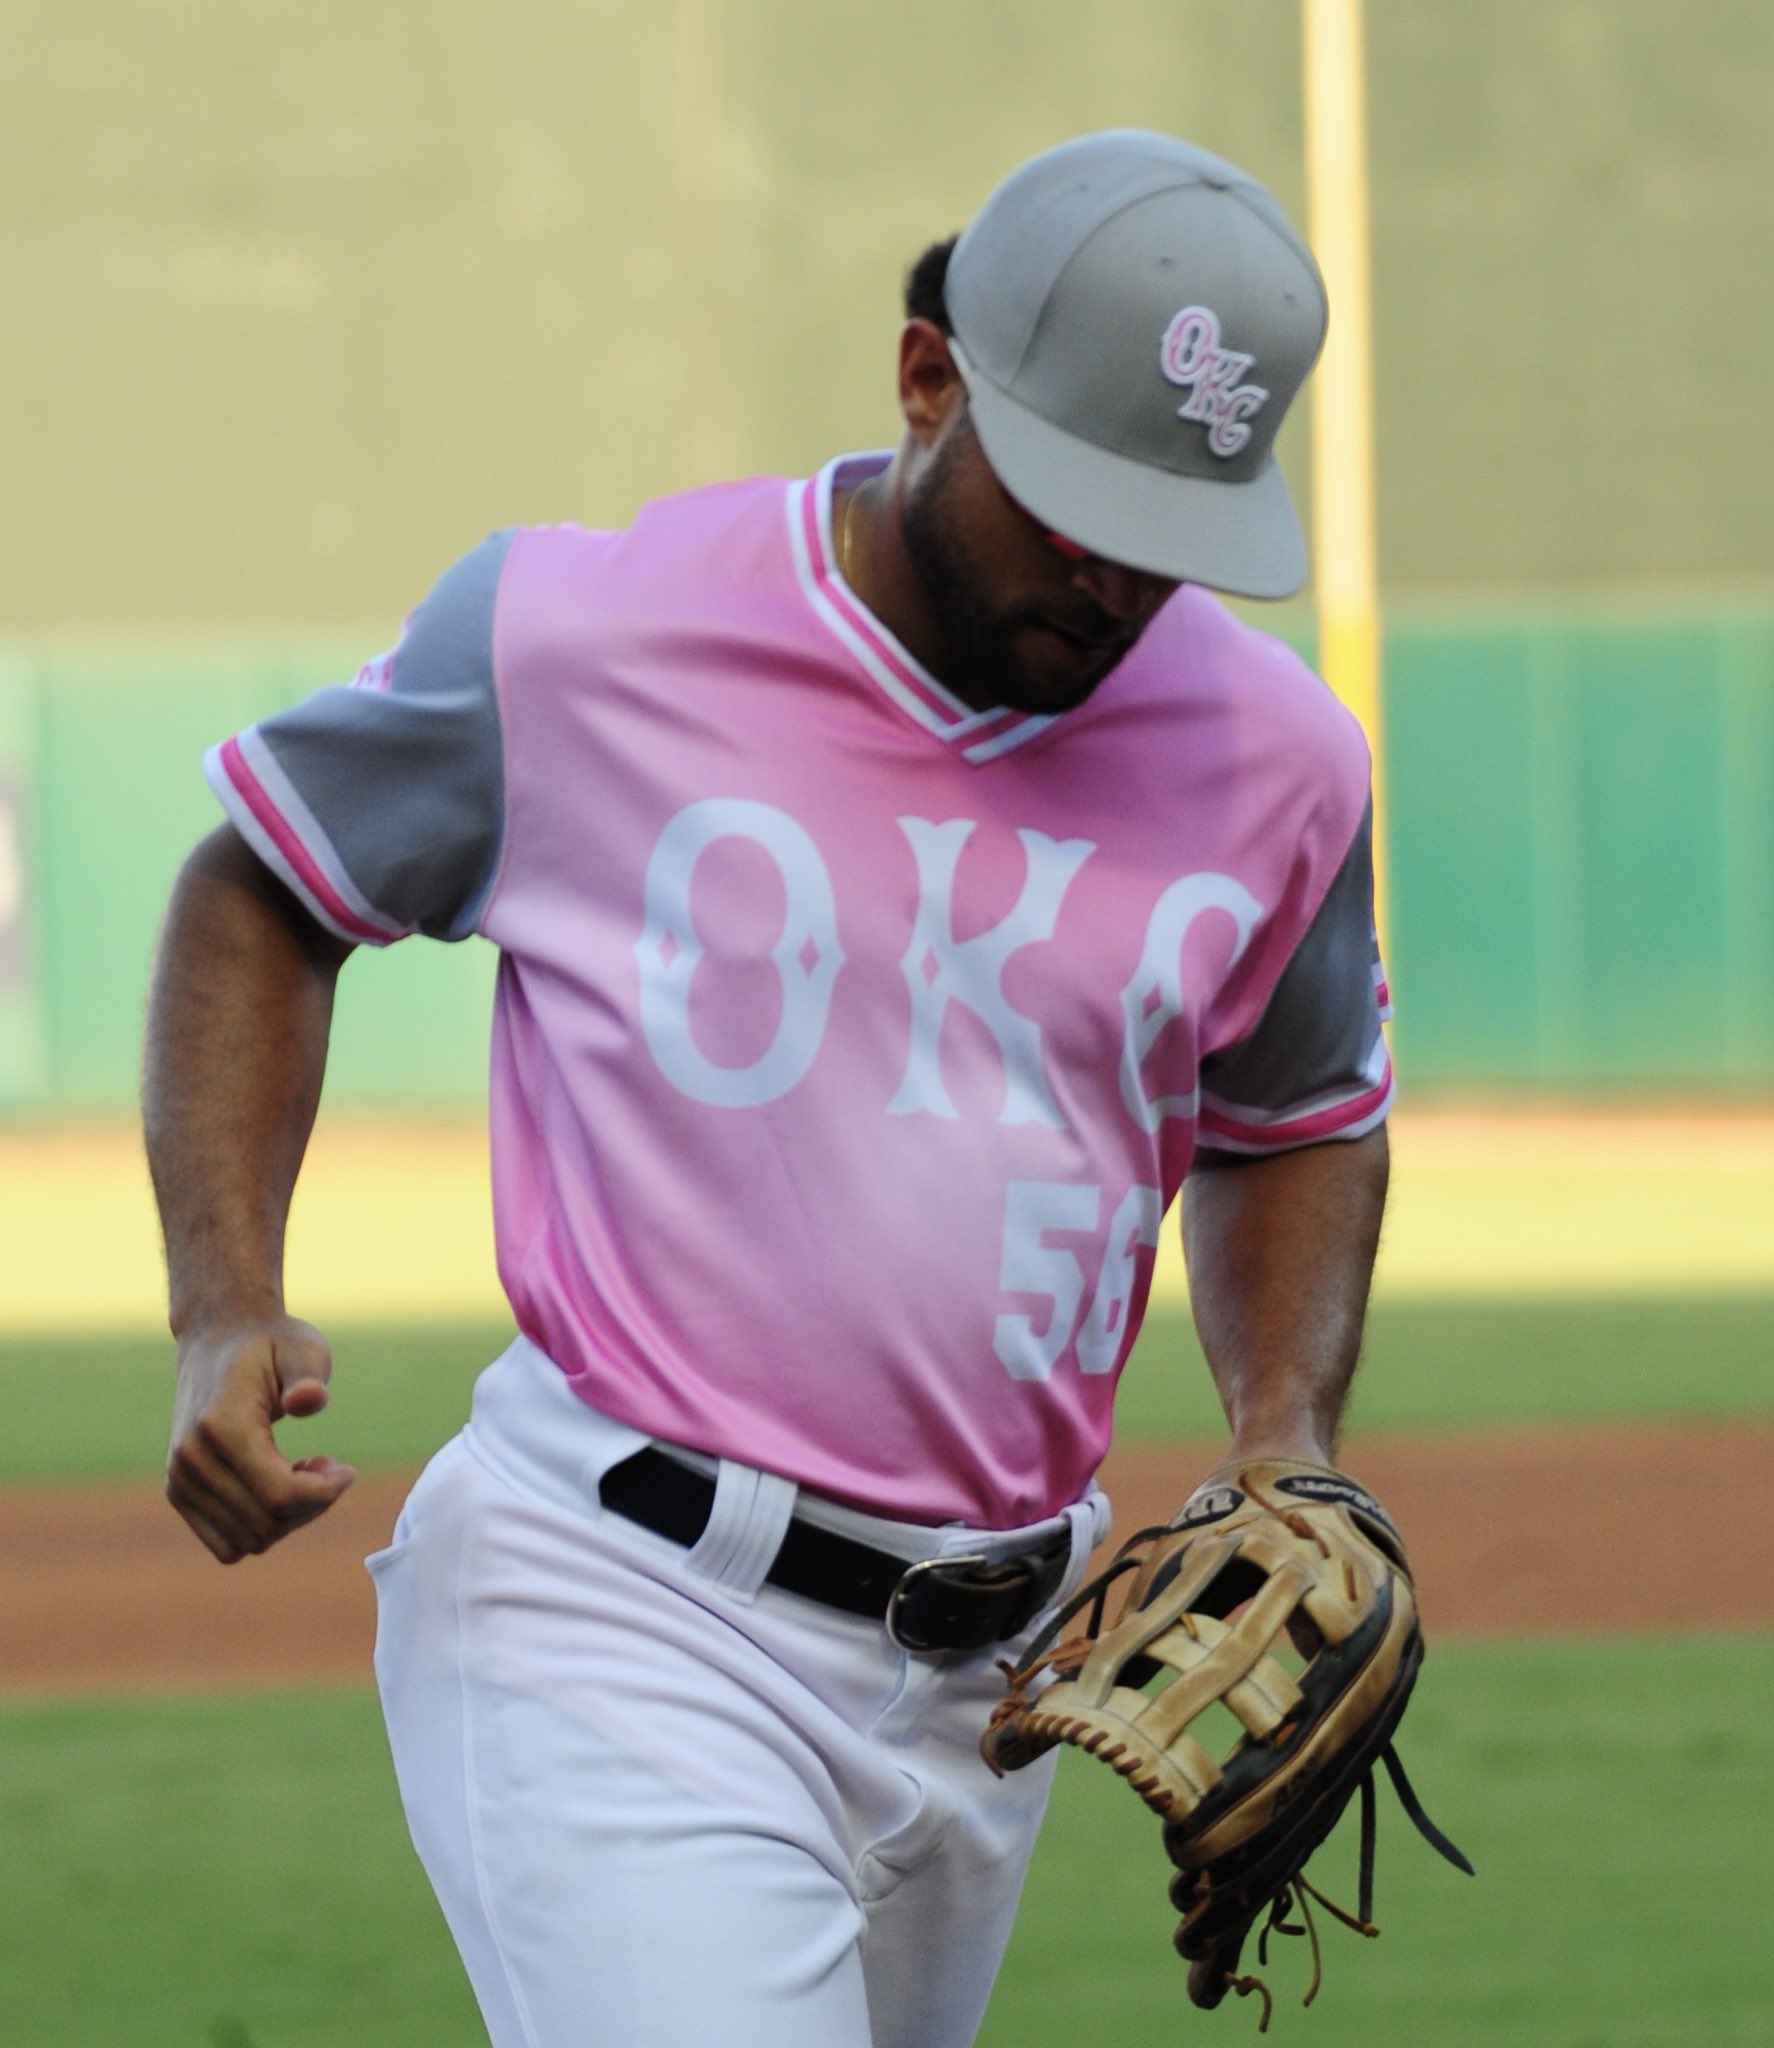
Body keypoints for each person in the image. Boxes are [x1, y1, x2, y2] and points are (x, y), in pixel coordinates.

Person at [146, 129, 1393, 2048]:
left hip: (1002, 1676)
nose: (1116, 577)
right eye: (1071, 507)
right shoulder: (579, 635)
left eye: (1171, 534)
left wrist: (1283, 1423)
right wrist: (225, 1290)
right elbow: (260, 887)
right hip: (619, 1601)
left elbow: (1297, 1113)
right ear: (924, 381)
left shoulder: (1282, 761)